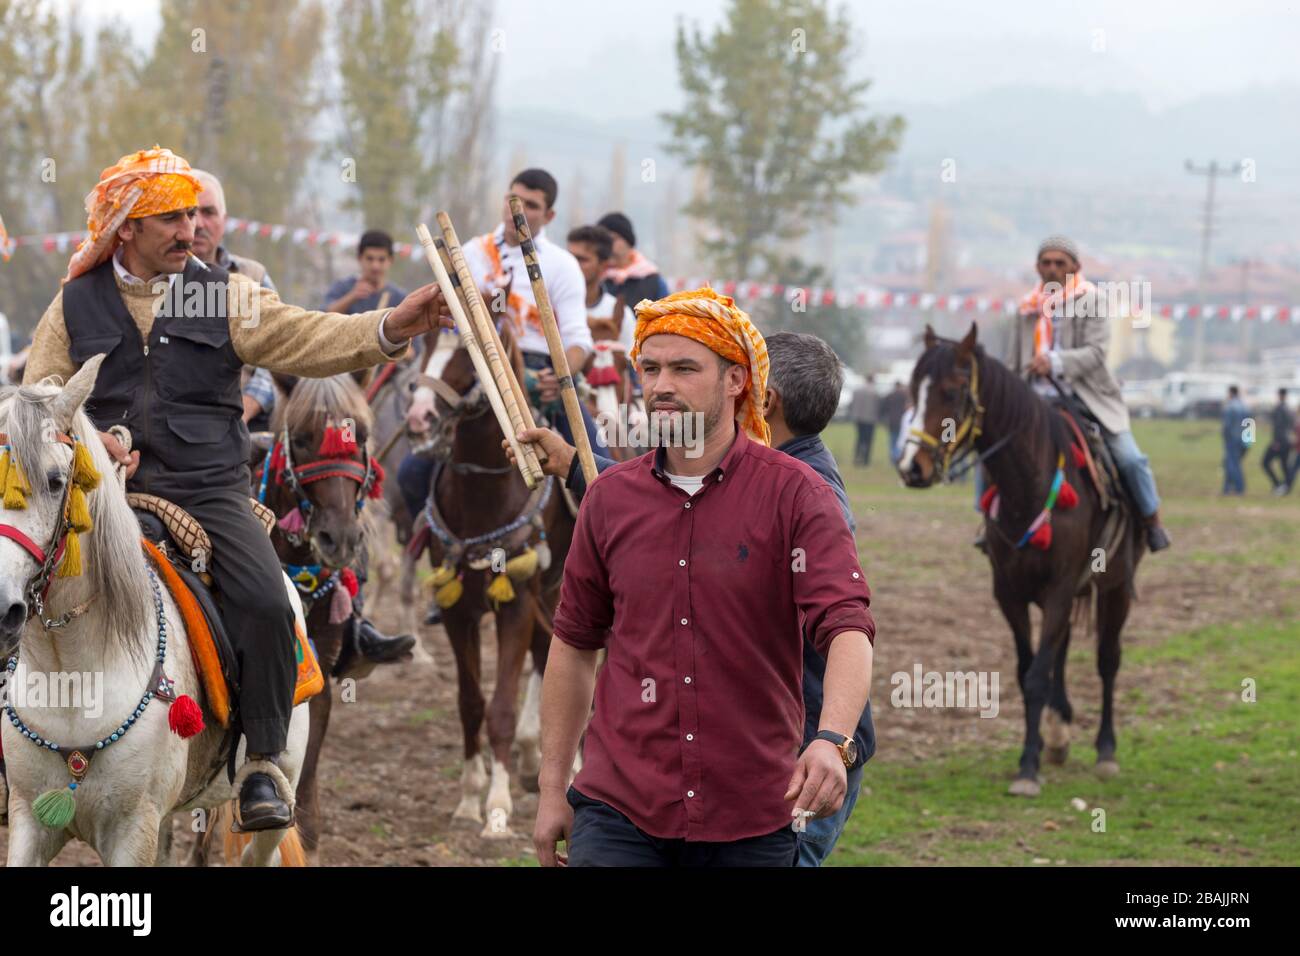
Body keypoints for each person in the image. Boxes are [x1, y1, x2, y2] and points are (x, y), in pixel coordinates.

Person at [22, 146, 451, 830]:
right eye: (170, 216)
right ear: (124, 228)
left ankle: (261, 764)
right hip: (95, 497)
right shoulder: (75, 302)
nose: (190, 228)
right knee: (16, 580)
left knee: (263, 599)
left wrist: (392, 325)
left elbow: (308, 337)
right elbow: (40, 397)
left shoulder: (221, 292)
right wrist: (85, 438)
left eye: (194, 213)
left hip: (207, 490)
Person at [531, 287, 874, 868]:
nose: (661, 385)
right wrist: (551, 788)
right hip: (617, 812)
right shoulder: (610, 500)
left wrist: (834, 740)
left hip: (755, 814)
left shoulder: (799, 495)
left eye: (685, 368)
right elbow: (573, 643)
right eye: (651, 367)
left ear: (737, 381)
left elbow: (847, 627)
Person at [1013, 235, 1170, 551]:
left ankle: (1151, 520)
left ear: (1075, 267)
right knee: (993, 450)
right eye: (1047, 263)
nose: (1053, 268)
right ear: (1037, 268)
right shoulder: (1026, 308)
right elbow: (1014, 358)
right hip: (1033, 401)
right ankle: (986, 523)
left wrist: (1054, 362)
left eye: (1060, 263)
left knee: (1130, 459)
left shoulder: (1093, 300)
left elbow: (1096, 352)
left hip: (1085, 398)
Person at [461, 169, 603, 454]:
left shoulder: (562, 264)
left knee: (598, 468)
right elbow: (449, 324)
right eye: (513, 199)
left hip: (540, 374)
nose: (517, 210)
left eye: (531, 205)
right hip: (476, 367)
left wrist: (558, 376)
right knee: (411, 475)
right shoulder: (471, 253)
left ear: (549, 215)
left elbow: (579, 341)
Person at [323, 230, 408, 315]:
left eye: (381, 260)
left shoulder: (399, 298)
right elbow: (324, 317)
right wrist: (352, 297)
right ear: (359, 258)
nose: (375, 266)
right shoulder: (342, 287)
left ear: (391, 260)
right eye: (369, 259)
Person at [597, 211, 670, 308]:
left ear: (628, 242)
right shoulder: (595, 279)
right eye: (601, 241)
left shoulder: (652, 281)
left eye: (612, 239)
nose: (606, 246)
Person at [1261, 387, 1294, 495]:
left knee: (1265, 462)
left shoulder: (1280, 409)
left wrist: (1276, 441)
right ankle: (1286, 487)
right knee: (1284, 465)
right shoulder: (1289, 409)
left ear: (1279, 395)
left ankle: (1278, 485)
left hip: (1280, 441)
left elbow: (1279, 426)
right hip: (1288, 441)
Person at [1222, 385, 1248, 496]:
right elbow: (1250, 423)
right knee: (1232, 463)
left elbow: (1227, 426)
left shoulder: (1230, 407)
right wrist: (1249, 442)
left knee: (1231, 464)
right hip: (1243, 440)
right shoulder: (1245, 406)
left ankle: (1239, 488)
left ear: (1231, 393)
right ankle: (1227, 488)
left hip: (1232, 439)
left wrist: (1225, 438)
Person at [849, 373, 879, 466]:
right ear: (873, 380)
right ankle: (866, 460)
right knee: (868, 440)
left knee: (859, 439)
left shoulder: (857, 391)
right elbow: (877, 407)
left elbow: (852, 404)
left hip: (859, 418)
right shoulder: (874, 392)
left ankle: (857, 458)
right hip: (870, 419)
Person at [880, 380, 908, 466]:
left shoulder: (889, 396)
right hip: (902, 422)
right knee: (900, 441)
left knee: (892, 441)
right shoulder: (905, 396)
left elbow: (883, 409)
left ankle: (893, 460)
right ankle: (898, 459)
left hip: (891, 422)